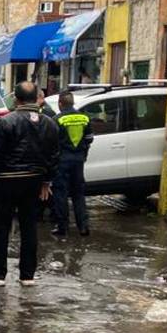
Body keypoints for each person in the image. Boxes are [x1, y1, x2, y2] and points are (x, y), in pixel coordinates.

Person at [0, 81, 60, 287]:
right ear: (37, 98)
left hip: (7, 180)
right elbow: (54, 156)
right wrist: (46, 180)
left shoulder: (7, 122)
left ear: (17, 99)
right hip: (34, 181)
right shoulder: (49, 123)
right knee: (29, 226)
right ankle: (27, 274)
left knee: (1, 227)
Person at [50, 90, 93, 237]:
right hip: (78, 160)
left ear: (60, 104)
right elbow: (89, 138)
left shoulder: (57, 120)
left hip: (62, 161)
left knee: (60, 194)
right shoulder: (85, 118)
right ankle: (83, 227)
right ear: (72, 103)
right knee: (78, 194)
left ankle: (63, 227)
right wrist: (83, 154)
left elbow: (53, 144)